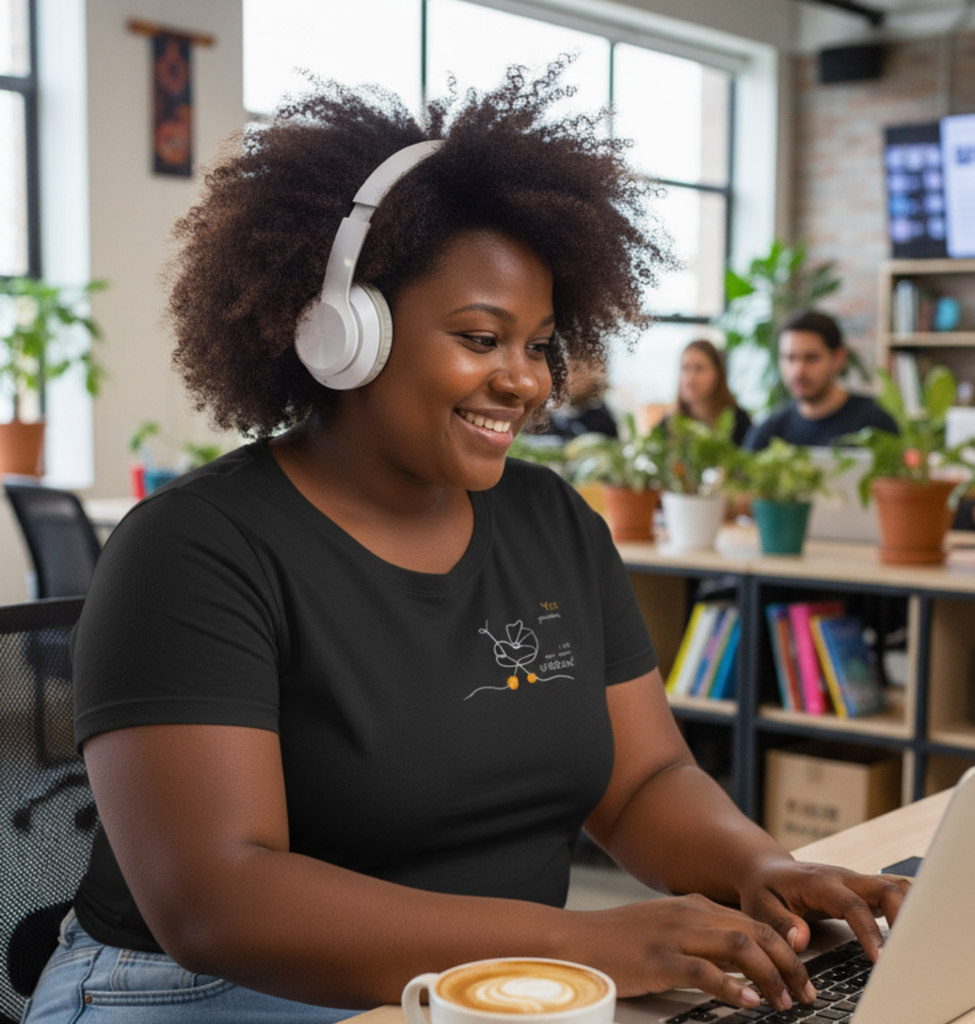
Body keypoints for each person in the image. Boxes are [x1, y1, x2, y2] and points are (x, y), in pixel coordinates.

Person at [26, 61, 908, 1024]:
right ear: (343, 330)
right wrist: (589, 943)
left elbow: (643, 780)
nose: (526, 383)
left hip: (491, 987)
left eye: (537, 346)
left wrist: (762, 869)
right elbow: (218, 901)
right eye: (482, 338)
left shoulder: (552, 522)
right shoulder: (195, 551)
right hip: (203, 991)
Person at [743, 310, 898, 450]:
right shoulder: (768, 432)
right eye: (790, 358)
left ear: (838, 358)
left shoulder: (876, 422)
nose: (798, 371)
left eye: (811, 358)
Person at [668, 339, 751, 446]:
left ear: (717, 373)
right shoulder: (670, 424)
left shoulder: (739, 422)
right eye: (685, 368)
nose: (690, 378)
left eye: (699, 368)